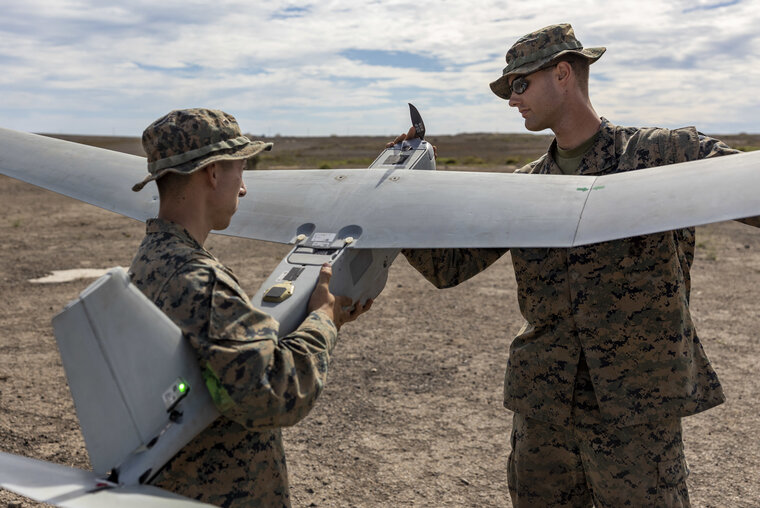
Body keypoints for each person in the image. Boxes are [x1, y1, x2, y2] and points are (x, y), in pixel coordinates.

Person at [395, 24, 760, 507]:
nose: (512, 99)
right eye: (508, 90)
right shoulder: (526, 187)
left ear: (563, 73)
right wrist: (402, 190)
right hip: (544, 406)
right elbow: (449, 266)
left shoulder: (663, 154)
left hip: (636, 410)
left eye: (520, 84)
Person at [129, 108, 371, 507]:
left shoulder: (153, 257)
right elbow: (274, 393)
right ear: (212, 173)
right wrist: (324, 320)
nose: (243, 188)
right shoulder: (198, 278)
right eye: (241, 170)